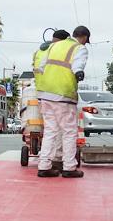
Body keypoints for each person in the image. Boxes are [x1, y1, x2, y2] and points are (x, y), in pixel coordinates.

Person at [36, 25, 91, 178]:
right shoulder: (79, 48)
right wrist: (79, 72)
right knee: (69, 131)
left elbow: (41, 66)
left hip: (46, 93)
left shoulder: (54, 46)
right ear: (84, 38)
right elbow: (78, 64)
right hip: (63, 94)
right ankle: (69, 167)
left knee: (50, 131)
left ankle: (44, 166)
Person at [30, 29, 70, 169]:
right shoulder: (57, 51)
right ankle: (56, 158)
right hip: (56, 92)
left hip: (41, 93)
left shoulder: (39, 52)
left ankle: (44, 160)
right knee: (60, 130)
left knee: (49, 129)